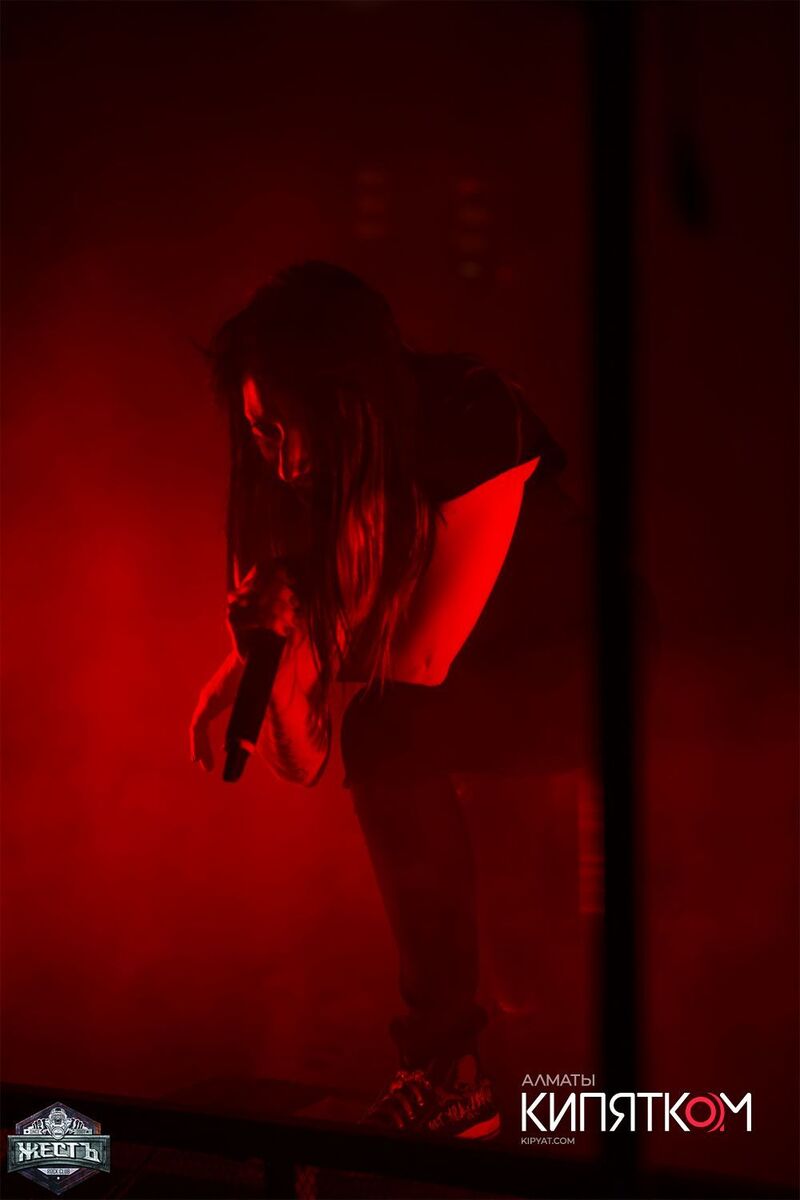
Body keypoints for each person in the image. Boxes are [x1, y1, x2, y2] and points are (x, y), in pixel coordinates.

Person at [190, 262, 592, 1140]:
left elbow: (419, 664)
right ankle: (454, 1074)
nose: (282, 461)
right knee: (387, 737)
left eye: (292, 427)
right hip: (462, 690)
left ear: (350, 398)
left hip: (569, 661)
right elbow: (307, 762)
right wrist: (267, 663)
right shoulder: (304, 486)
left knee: (541, 973)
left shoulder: (468, 413)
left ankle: (460, 1073)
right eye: (260, 434)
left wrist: (315, 647)